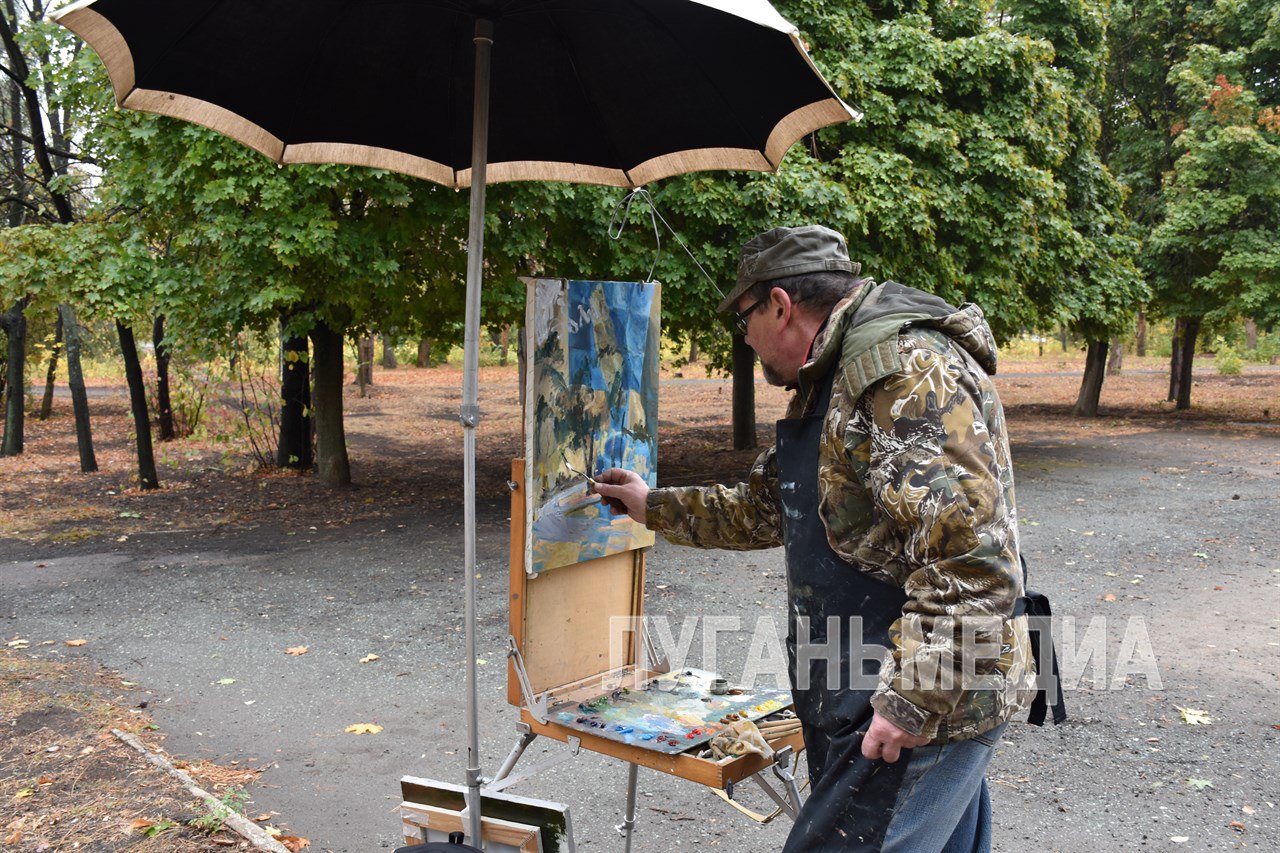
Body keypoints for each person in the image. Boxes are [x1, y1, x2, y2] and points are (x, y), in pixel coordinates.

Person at [594, 225, 1038, 852]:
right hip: (872, 684)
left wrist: (910, 702)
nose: (743, 342)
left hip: (922, 700)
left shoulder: (898, 376)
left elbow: (976, 562)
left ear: (779, 305)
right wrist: (650, 506)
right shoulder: (827, 380)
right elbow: (768, 508)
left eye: (743, 319)